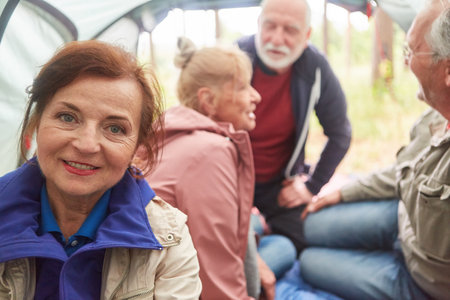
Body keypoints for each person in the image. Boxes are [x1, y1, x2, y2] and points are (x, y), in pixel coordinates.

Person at [0, 40, 202, 299]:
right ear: (37, 121)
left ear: (137, 146)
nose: (86, 145)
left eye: (115, 128)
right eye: (67, 117)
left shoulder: (168, 239)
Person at [300, 1, 450, 299]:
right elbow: (405, 171)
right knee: (309, 227)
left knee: (308, 262)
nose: (406, 63)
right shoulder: (436, 116)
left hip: (422, 279)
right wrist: (343, 192)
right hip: (400, 220)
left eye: (411, 52)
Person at [145, 37, 297, 300]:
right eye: (242, 87)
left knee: (266, 234)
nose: (256, 96)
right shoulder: (210, 151)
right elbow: (214, 268)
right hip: (173, 282)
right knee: (284, 248)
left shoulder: (173, 128)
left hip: (165, 263)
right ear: (209, 100)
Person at [237, 0, 352, 253]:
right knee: (227, 242)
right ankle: (255, 234)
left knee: (307, 239)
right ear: (258, 25)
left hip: (279, 187)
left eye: (290, 30)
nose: (277, 39)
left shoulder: (315, 67)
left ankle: (264, 244)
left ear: (307, 35)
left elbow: (340, 133)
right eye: (270, 26)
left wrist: (311, 187)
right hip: (229, 181)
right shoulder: (234, 58)